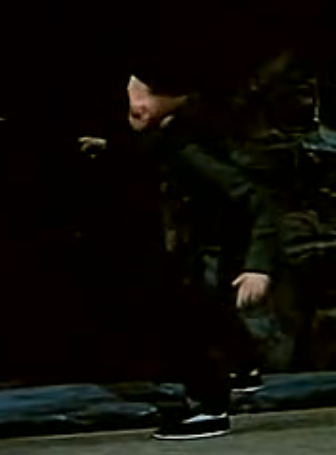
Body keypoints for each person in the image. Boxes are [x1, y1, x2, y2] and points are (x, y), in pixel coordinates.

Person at [78, 62, 283, 439]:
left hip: (211, 248)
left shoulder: (191, 145)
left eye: (140, 101)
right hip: (188, 248)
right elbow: (147, 151)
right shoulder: (169, 135)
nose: (134, 109)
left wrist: (258, 266)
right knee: (195, 311)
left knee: (188, 317)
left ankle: (210, 406)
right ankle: (240, 371)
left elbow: (255, 200)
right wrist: (109, 147)